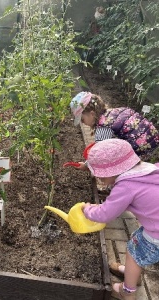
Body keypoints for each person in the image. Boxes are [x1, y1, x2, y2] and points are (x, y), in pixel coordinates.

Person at [82, 139, 159, 300]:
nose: (100, 179)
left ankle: (127, 291)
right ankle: (131, 272)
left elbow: (105, 214)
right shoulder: (149, 170)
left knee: (134, 253)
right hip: (154, 224)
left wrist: (88, 209)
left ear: (111, 171)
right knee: (137, 241)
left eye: (101, 176)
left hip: (156, 234)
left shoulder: (126, 186)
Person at [69, 91, 159, 170]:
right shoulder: (117, 111)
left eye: (82, 119)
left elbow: (101, 155)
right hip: (154, 141)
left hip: (142, 152)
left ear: (92, 114)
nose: (83, 123)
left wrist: (87, 165)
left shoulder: (103, 128)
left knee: (116, 171)